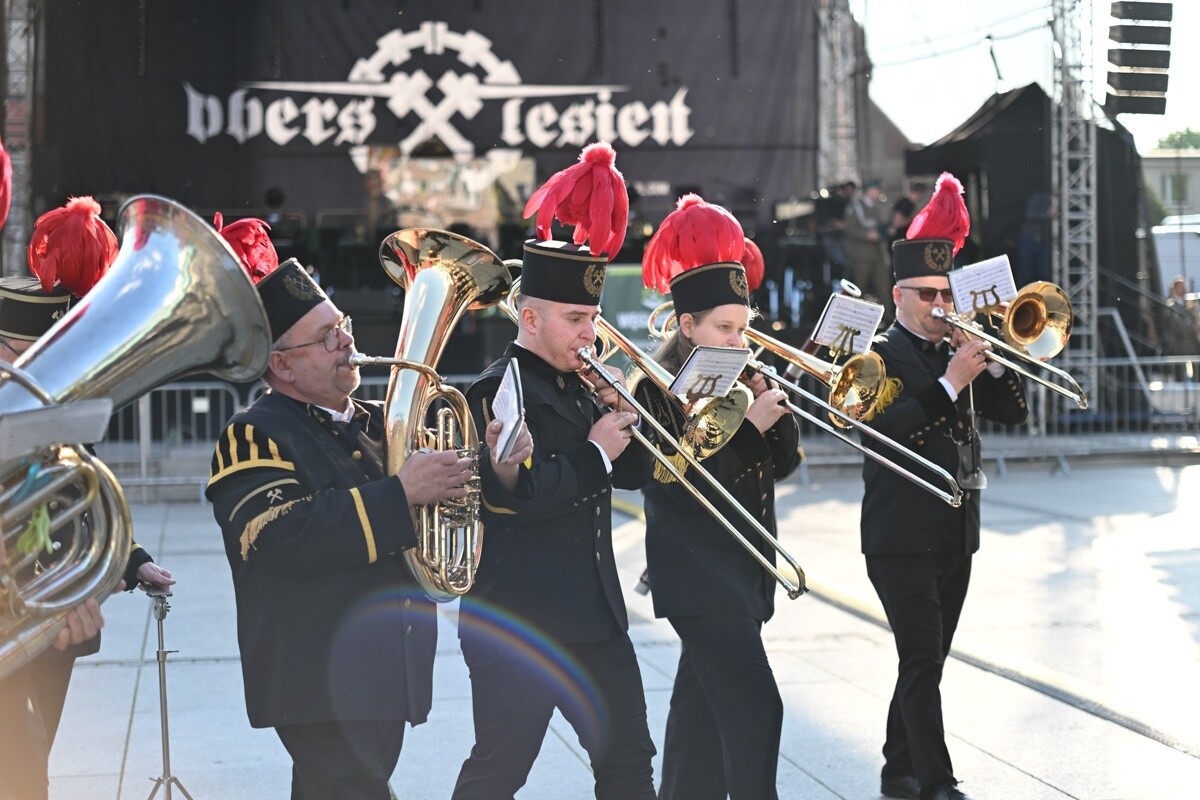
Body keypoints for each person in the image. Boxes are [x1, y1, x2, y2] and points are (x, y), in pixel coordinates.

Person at [205, 222, 524, 797]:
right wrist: (402, 494)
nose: (347, 342)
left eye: (343, 327)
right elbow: (282, 534)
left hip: (386, 672)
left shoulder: (386, 422)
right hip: (315, 680)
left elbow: (451, 512)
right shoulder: (252, 434)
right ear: (282, 365)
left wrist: (493, 473)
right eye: (326, 337)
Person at [452, 142, 657, 800]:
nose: (589, 335)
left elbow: (636, 478)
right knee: (500, 771)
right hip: (519, 624)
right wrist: (597, 449)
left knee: (629, 764)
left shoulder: (582, 384)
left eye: (594, 319)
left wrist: (626, 419)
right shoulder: (496, 388)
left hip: (596, 621)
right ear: (531, 318)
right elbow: (519, 499)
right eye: (576, 320)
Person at [0, 198, 175, 800]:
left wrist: (127, 561)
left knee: (32, 768)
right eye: (21, 356)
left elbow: (81, 491)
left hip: (53, 623)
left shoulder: (48, 412)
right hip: (19, 618)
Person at [862, 174, 1028, 800]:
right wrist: (952, 383)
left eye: (945, 293)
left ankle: (896, 769)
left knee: (921, 665)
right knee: (923, 661)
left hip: (957, 530)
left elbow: (1015, 412)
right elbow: (879, 431)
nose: (938, 305)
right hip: (899, 535)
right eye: (926, 294)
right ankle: (936, 783)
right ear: (898, 294)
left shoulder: (960, 347)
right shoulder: (879, 355)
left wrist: (994, 352)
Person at [636, 195, 801, 800]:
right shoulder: (653, 387)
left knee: (697, 723)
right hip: (699, 578)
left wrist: (773, 415)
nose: (739, 339)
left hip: (743, 572)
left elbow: (780, 466)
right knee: (759, 711)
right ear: (688, 327)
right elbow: (675, 485)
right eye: (725, 329)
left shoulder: (738, 371)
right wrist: (747, 428)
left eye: (744, 328)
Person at [845, 179, 892, 310]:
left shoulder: (877, 206)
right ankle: (856, 318)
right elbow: (850, 229)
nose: (879, 193)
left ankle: (888, 316)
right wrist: (866, 235)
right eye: (877, 190)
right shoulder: (856, 207)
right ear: (869, 190)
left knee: (884, 287)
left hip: (878, 254)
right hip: (862, 255)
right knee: (860, 287)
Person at [1015, 191, 1055, 288]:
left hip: (1043, 241)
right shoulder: (1040, 197)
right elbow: (1029, 215)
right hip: (1029, 239)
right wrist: (1047, 215)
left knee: (1042, 273)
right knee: (1026, 273)